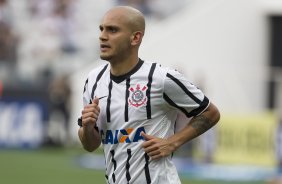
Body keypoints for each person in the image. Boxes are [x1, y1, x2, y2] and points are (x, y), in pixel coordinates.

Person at [78, 6, 220, 184]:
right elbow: (90, 145)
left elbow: (210, 112)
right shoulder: (93, 80)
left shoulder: (161, 78)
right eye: (102, 29)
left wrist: (173, 142)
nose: (102, 36)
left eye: (112, 30)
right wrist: (88, 127)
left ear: (135, 37)